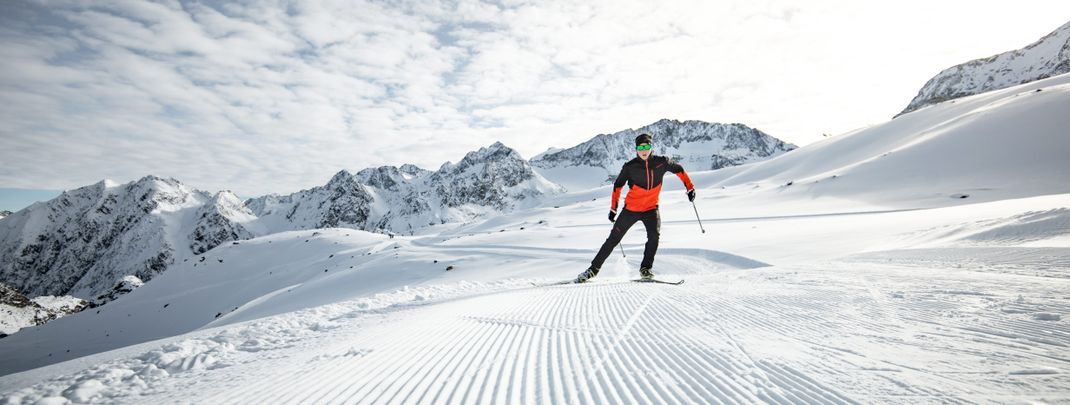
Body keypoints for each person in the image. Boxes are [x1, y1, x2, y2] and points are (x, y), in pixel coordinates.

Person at [576, 133, 696, 282]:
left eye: (647, 146)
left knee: (654, 236)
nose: (644, 150)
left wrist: (690, 188)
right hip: (630, 210)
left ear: (651, 147)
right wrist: (613, 209)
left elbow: (679, 169)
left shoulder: (662, 162)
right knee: (613, 239)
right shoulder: (630, 167)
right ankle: (592, 270)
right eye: (640, 147)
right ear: (636, 149)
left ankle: (646, 269)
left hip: (651, 209)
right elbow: (618, 185)